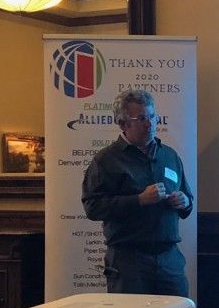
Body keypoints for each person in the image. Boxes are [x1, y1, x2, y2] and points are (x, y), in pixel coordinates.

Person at [82, 89, 193, 296]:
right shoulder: (106, 160)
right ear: (123, 124)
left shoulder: (169, 155)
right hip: (129, 261)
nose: (150, 124)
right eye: (141, 118)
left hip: (170, 258)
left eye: (152, 116)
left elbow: (188, 198)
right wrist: (139, 200)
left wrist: (184, 201)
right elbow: (93, 207)